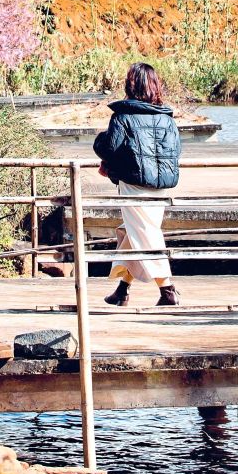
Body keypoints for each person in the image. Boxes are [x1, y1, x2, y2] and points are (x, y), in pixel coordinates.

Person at [92, 62, 181, 307]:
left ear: (130, 85)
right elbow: (175, 151)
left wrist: (99, 140)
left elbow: (109, 147)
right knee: (130, 231)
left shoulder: (123, 116)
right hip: (160, 185)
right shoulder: (167, 118)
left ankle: (168, 290)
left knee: (145, 232)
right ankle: (122, 290)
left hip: (133, 183)